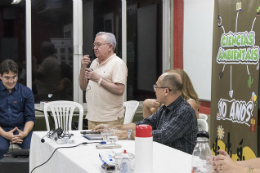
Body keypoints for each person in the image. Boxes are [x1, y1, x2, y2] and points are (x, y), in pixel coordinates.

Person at [93, 72, 198, 154]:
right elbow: (143, 124)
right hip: (162, 155)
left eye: (156, 87)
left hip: (178, 162)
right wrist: (112, 128)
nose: (155, 90)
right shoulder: (164, 108)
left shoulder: (185, 111)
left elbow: (163, 135)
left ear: (166, 91)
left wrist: (127, 134)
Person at [79, 32, 127, 130]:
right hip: (92, 117)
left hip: (110, 118)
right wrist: (83, 67)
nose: (95, 48)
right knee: (92, 145)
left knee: (109, 145)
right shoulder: (94, 63)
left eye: (99, 45)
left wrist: (98, 79)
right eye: (94, 45)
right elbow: (83, 87)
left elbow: (119, 90)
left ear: (110, 46)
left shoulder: (117, 63)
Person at [0, 59, 35, 159]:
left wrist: (24, 133)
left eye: (14, 77)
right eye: (7, 78)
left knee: (33, 147)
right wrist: (5, 134)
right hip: (1, 130)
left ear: (17, 76)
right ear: (0, 76)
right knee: (0, 148)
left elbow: (30, 117)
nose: (11, 81)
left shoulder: (26, 91)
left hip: (21, 129)